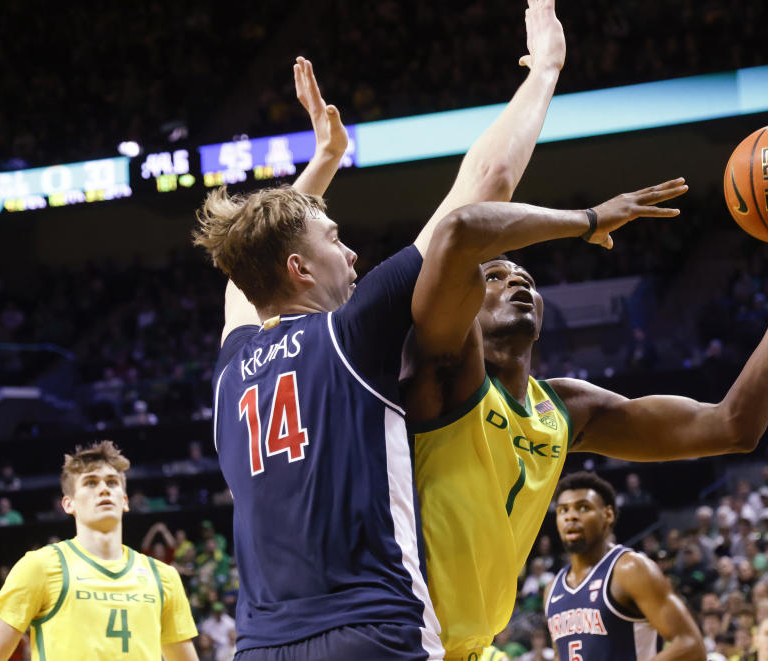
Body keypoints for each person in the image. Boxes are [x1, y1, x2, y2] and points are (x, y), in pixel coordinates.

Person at [197, 0, 576, 654]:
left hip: (261, 645)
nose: (350, 254)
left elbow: (243, 278)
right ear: (298, 268)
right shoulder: (351, 332)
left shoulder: (232, 368)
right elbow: (487, 183)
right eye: (333, 238)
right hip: (371, 631)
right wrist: (544, 69)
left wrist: (323, 164)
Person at [403, 122, 768, 657]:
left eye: (526, 278)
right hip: (408, 638)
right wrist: (586, 220)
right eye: (495, 277)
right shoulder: (443, 373)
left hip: (476, 647)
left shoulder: (565, 408)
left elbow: (734, 426)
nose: (517, 281)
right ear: (465, 304)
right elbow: (458, 230)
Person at [0, 441, 198, 661]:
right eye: (91, 483)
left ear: (125, 501)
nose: (104, 489)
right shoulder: (39, 567)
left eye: (112, 483)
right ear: (68, 504)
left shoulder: (163, 577)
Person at [544, 473, 703, 660]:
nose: (571, 517)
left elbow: (690, 644)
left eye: (583, 507)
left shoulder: (630, 568)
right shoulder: (552, 589)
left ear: (608, 514)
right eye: (563, 510)